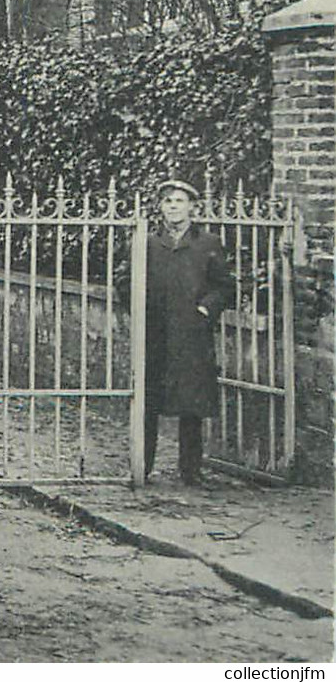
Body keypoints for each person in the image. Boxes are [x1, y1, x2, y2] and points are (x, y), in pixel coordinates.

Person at [145, 178, 234, 486]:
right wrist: (142, 312)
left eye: (179, 201)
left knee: (191, 403)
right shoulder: (147, 242)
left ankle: (190, 470)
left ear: (192, 208)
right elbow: (124, 280)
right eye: (168, 201)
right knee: (147, 399)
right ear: (160, 207)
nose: (173, 207)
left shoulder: (208, 243)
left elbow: (224, 287)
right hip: (155, 334)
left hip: (192, 334)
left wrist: (204, 311)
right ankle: (141, 466)